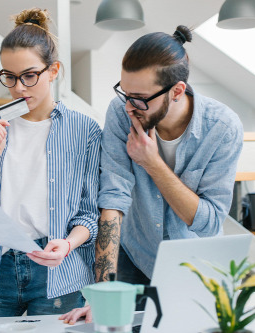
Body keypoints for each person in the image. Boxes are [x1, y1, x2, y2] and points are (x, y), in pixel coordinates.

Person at [60, 25, 243, 323]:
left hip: (193, 264)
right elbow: (113, 200)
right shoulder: (123, 112)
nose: (129, 106)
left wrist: (152, 162)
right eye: (124, 92)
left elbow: (208, 223)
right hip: (135, 254)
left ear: (177, 91)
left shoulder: (222, 128)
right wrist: (102, 292)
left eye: (140, 97)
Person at [0, 8, 102, 318]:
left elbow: (90, 213)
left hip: (58, 270)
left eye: (29, 75)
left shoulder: (84, 130)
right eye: (9, 76)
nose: (18, 88)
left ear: (53, 71)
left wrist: (67, 244)